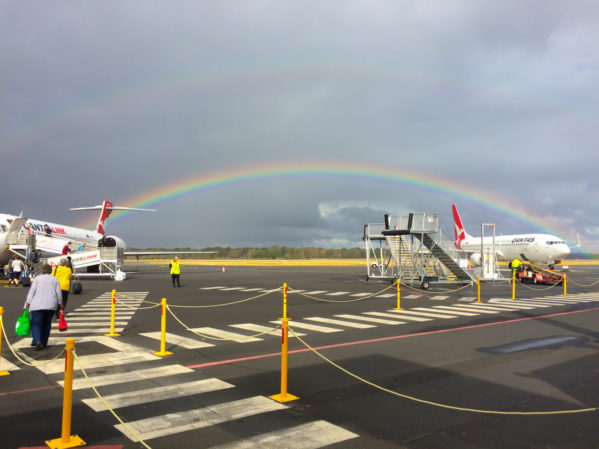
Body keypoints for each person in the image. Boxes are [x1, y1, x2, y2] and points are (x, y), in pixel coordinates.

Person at [24, 263, 62, 350]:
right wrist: (60, 303)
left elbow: (32, 292)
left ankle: (37, 340)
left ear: (42, 270)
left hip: (37, 305)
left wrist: (27, 302)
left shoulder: (37, 279)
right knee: (47, 324)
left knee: (36, 323)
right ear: (50, 271)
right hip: (51, 305)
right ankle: (44, 342)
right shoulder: (55, 279)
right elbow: (58, 293)